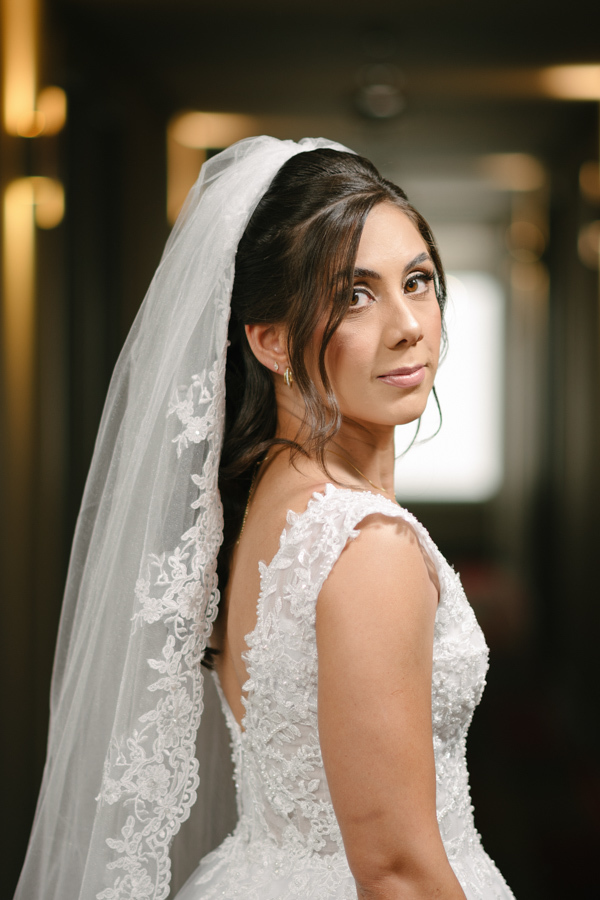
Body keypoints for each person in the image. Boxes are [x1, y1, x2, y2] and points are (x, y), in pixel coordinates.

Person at [15, 136, 515, 900]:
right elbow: (398, 874)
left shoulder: (261, 501)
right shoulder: (367, 548)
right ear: (270, 339)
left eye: (417, 281)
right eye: (354, 296)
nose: (408, 324)